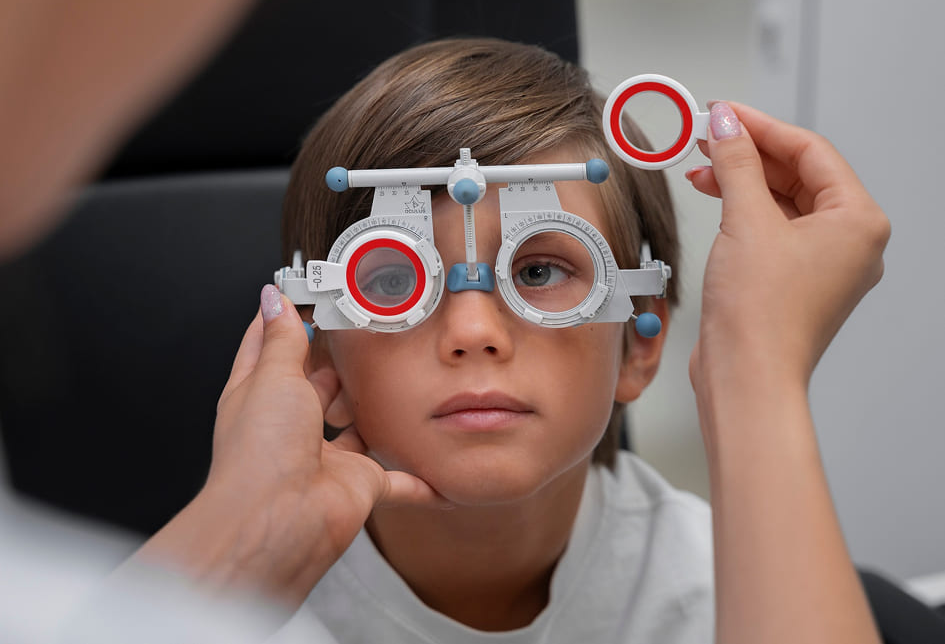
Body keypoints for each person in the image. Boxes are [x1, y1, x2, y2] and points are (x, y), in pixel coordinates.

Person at [133, 38, 888, 644]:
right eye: (392, 278)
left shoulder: (743, 591)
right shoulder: (224, 602)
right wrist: (241, 552)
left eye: (539, 269)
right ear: (317, 346)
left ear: (639, 339)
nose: (472, 332)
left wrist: (749, 360)